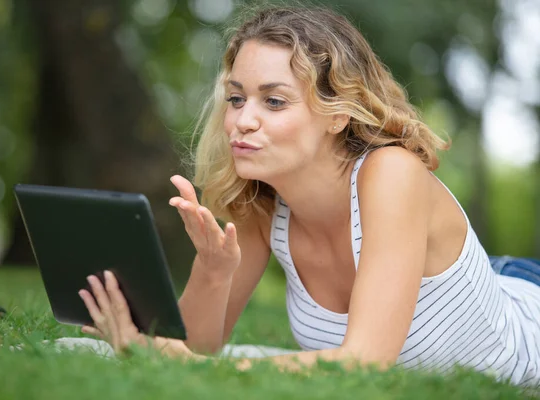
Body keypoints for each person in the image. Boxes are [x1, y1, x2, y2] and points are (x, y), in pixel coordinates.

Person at [77, 5, 540, 386]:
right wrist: (214, 273)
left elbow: (364, 363)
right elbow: (190, 352)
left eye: (274, 101)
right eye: (237, 99)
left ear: (337, 113)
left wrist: (190, 364)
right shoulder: (262, 203)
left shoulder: (392, 172)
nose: (242, 120)